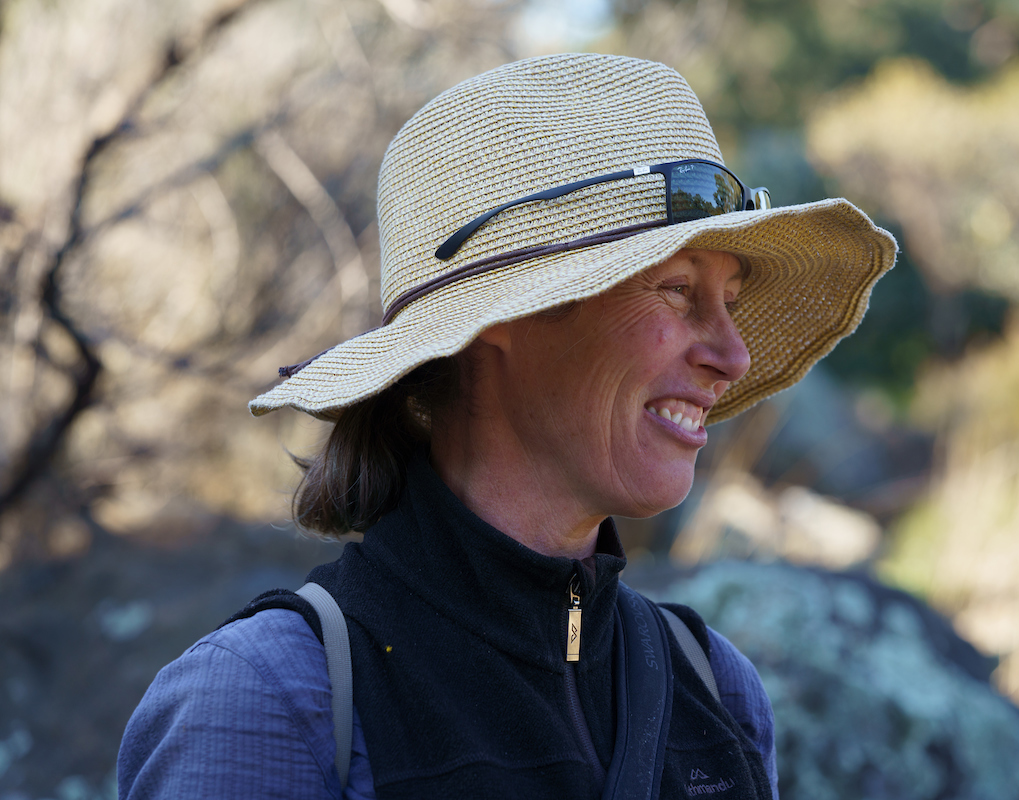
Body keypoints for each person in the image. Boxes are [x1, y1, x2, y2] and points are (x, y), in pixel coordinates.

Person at [117, 53, 896, 799]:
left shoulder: (715, 688)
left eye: (729, 301)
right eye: (677, 289)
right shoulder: (268, 704)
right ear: (505, 320)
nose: (732, 354)